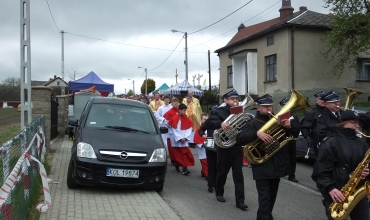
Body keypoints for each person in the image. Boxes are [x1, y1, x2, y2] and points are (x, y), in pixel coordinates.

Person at [236, 94, 300, 219]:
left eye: (270, 106)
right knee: (265, 199)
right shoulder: (253, 123)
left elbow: (296, 132)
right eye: (265, 107)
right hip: (262, 167)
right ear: (258, 108)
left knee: (271, 199)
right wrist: (256, 134)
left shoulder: (279, 121)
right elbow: (240, 138)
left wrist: (290, 126)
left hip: (277, 166)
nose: (269, 109)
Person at [311, 110, 370, 220]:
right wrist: (330, 188)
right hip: (337, 194)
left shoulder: (362, 143)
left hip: (357, 191)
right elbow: (320, 172)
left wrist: (368, 171)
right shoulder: (331, 142)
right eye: (353, 122)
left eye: (359, 123)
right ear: (343, 122)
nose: (357, 126)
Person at [206, 89, 248, 210]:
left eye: (237, 99)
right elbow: (209, 122)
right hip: (223, 147)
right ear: (226, 100)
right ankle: (219, 192)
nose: (235, 101)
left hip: (236, 146)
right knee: (222, 172)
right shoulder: (218, 111)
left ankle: (240, 201)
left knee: (238, 175)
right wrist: (221, 124)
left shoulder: (241, 111)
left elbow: (245, 124)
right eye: (232, 99)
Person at [167, 103, 195, 175]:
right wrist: (179, 138)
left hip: (184, 140)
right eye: (183, 110)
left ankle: (184, 169)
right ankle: (177, 166)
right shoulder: (174, 119)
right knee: (177, 154)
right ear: (179, 110)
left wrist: (185, 137)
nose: (184, 112)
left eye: (185, 110)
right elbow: (174, 129)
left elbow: (189, 129)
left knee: (184, 154)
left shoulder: (187, 119)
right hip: (176, 140)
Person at [198, 105, 219, 193]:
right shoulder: (214, 121)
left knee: (213, 165)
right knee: (214, 165)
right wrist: (202, 134)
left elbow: (201, 130)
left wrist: (202, 134)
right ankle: (213, 184)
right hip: (213, 143)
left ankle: (212, 185)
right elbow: (201, 130)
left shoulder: (212, 120)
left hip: (215, 143)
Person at [279, 97, 300, 183]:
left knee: (292, 158)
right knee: (282, 157)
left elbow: (298, 128)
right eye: (284, 105)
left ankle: (292, 175)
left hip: (292, 139)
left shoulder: (294, 116)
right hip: (282, 140)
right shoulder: (279, 115)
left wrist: (291, 126)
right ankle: (281, 172)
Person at [300, 91, 326, 157]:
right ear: (316, 101)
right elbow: (305, 127)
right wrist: (308, 137)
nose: (323, 101)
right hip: (318, 141)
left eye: (324, 99)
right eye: (321, 99)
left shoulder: (329, 111)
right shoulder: (312, 113)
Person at [163, 98, 180, 163]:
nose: (176, 104)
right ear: (172, 104)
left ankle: (178, 158)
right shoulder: (170, 112)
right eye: (174, 103)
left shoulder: (179, 110)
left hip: (179, 131)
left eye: (177, 103)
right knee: (172, 146)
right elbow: (167, 122)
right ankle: (173, 159)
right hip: (172, 131)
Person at [193, 113, 209, 180]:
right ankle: (207, 175)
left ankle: (203, 172)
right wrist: (203, 144)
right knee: (204, 161)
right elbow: (197, 138)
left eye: (207, 119)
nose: (206, 121)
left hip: (210, 148)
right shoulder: (199, 129)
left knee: (210, 161)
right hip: (202, 148)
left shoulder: (211, 127)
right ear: (201, 120)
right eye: (204, 119)